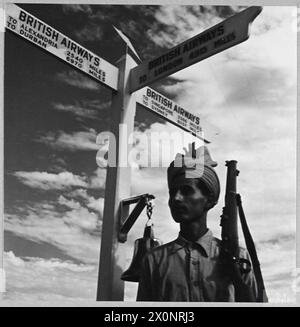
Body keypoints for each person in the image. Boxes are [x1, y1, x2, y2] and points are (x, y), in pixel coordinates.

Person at [136, 145, 258, 302]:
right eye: (173, 192)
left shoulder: (238, 256)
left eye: (186, 191)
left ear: (209, 200)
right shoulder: (154, 260)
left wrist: (236, 277)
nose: (176, 198)